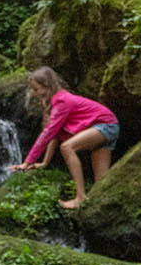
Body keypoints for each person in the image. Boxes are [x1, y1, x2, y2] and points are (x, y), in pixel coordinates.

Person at [19, 68, 123, 210]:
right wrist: (44, 163)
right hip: (109, 127)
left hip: (105, 126)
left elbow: (48, 133)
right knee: (101, 184)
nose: (33, 93)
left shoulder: (62, 101)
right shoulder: (57, 104)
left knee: (67, 147)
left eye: (36, 89)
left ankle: (80, 197)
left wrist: (28, 161)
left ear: (47, 86)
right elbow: (54, 136)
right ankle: (106, 212)